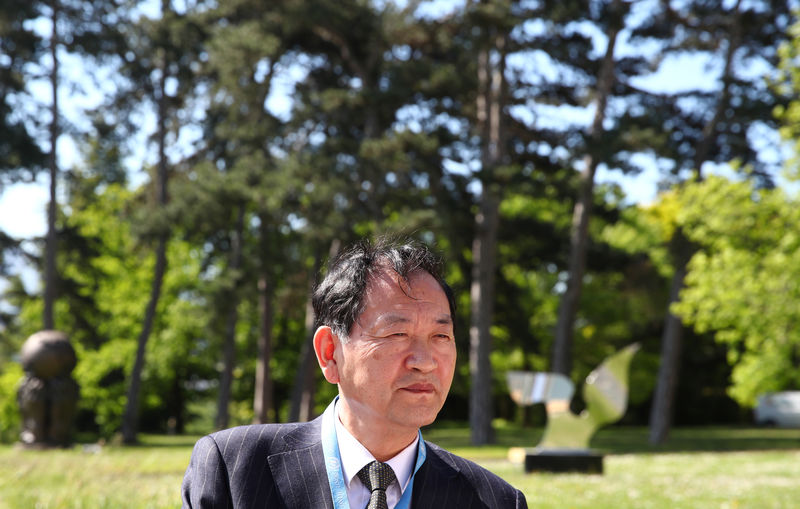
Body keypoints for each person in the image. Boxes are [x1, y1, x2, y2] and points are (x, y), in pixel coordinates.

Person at [181, 238, 528, 508]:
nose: (425, 361)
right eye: (397, 334)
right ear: (330, 353)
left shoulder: (496, 501)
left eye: (440, 336)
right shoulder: (234, 469)